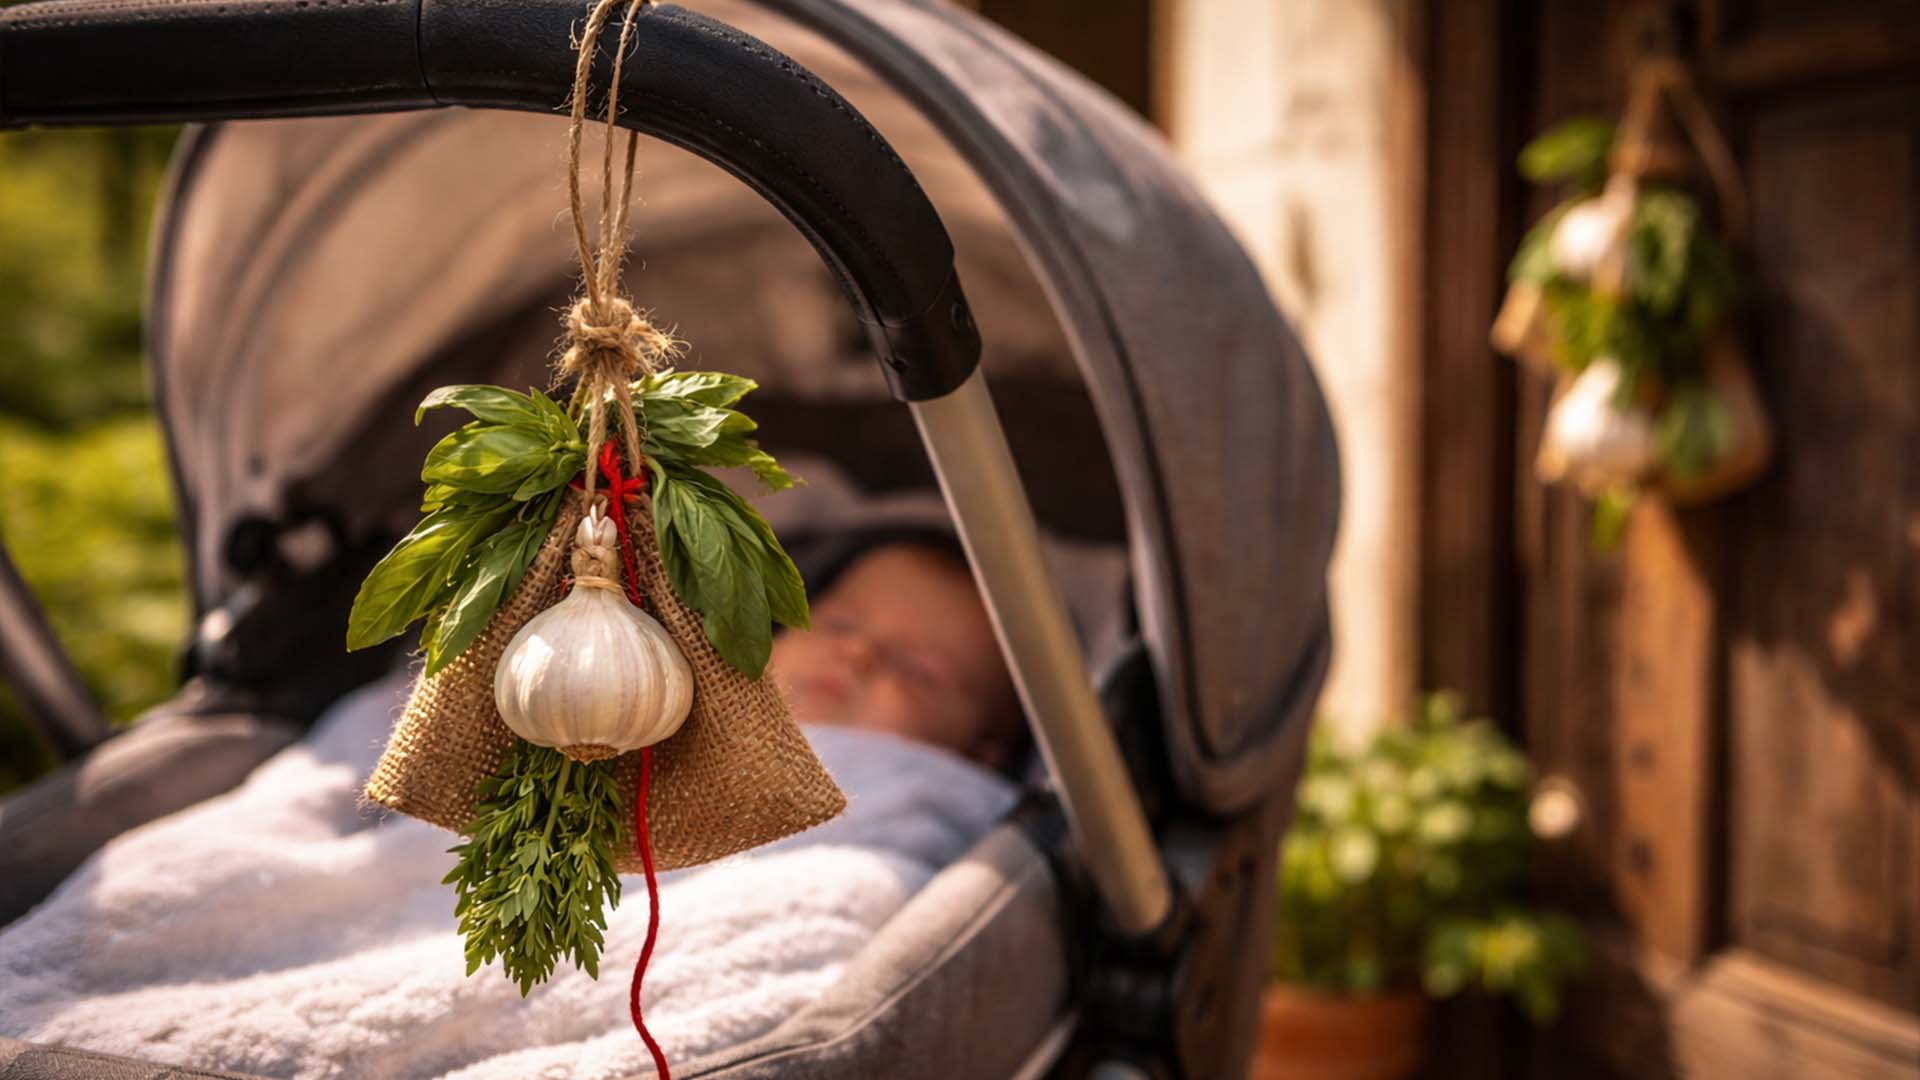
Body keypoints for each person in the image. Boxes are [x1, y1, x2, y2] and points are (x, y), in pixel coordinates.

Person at [771, 529, 1028, 774]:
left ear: (974, 759)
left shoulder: (910, 803)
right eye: (837, 626)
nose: (857, 653)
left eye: (915, 671)